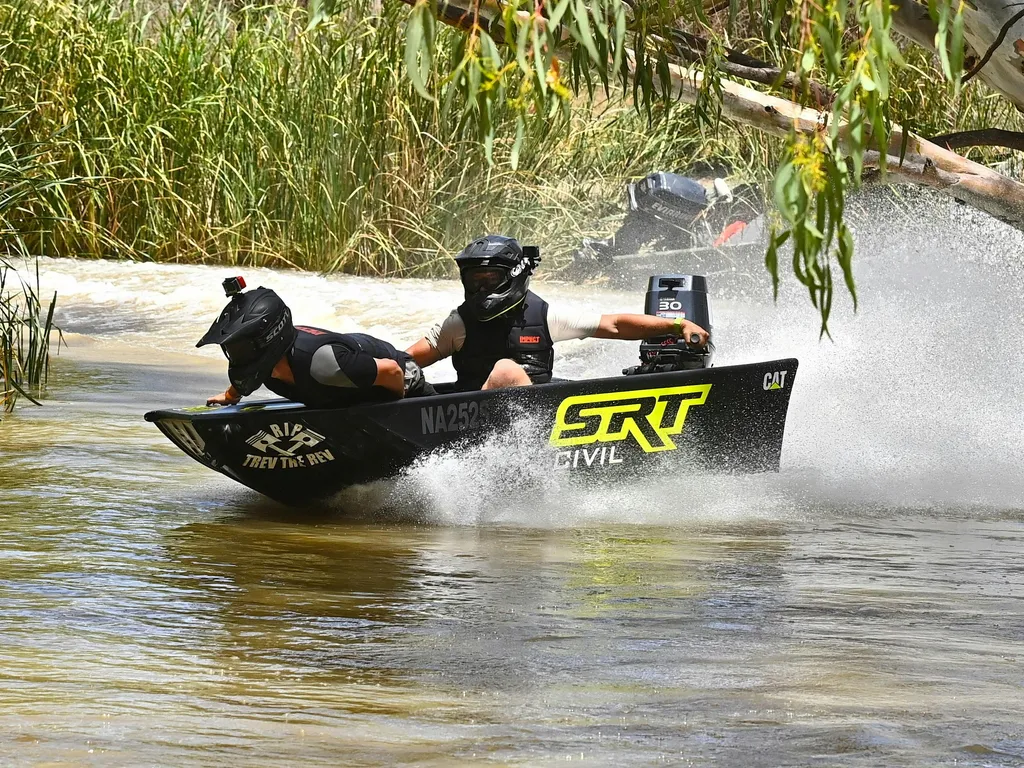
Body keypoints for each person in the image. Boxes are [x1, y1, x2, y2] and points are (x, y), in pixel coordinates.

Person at [405, 235, 710, 391]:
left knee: (508, 371)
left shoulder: (547, 317)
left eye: (491, 280)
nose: (482, 290)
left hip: (538, 422)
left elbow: (615, 325)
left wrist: (677, 325)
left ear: (513, 275)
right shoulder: (457, 324)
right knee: (505, 371)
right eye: (475, 281)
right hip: (471, 428)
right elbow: (402, 365)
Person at [199, 278, 432, 407]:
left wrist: (393, 412)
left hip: (403, 378)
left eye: (239, 347)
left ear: (269, 340)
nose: (234, 353)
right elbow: (248, 376)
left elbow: (391, 372)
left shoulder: (324, 365)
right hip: (353, 383)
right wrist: (230, 397)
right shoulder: (267, 364)